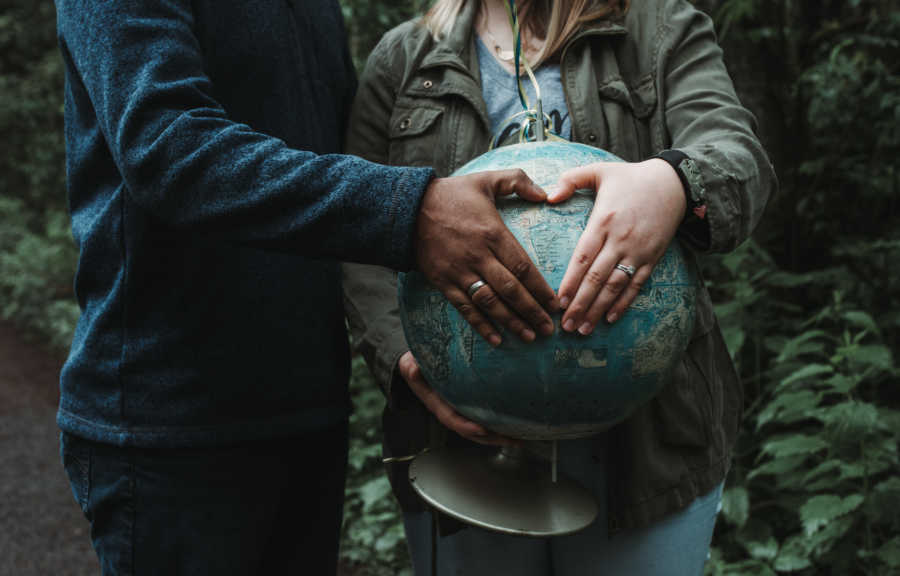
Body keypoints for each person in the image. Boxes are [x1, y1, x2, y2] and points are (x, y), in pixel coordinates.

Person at [52, 0, 563, 574]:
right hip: (170, 423)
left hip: (308, 412)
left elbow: (340, 165)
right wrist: (414, 211)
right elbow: (168, 150)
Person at [342, 0, 776, 573]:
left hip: (647, 443)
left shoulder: (660, 27)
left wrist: (672, 181)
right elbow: (358, 228)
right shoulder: (404, 57)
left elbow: (739, 160)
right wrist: (403, 357)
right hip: (461, 441)